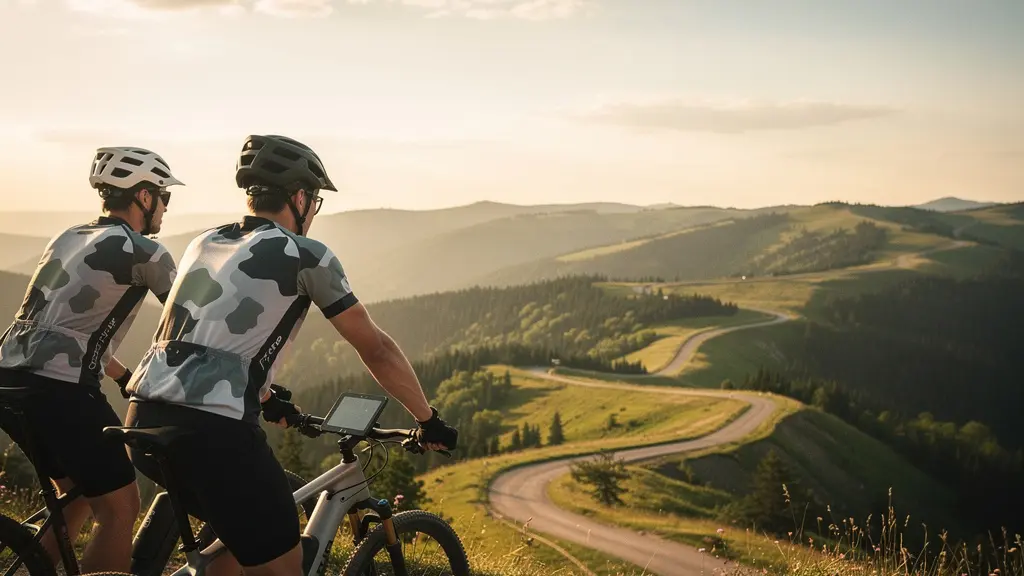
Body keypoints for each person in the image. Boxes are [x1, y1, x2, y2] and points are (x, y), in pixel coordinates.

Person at [124, 134, 458, 576]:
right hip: (214, 434)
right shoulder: (306, 255)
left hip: (142, 415)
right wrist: (426, 418)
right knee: (284, 564)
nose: (313, 211)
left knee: (241, 551)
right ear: (300, 197)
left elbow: (205, 340)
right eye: (315, 201)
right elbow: (375, 348)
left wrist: (264, 397)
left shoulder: (202, 243)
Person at [0, 146, 183, 571]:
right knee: (120, 508)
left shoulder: (67, 236)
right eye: (164, 197)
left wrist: (121, 375)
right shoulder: (147, 252)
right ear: (143, 196)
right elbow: (189, 325)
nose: (165, 209)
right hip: (60, 391)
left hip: (9, 379)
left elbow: (57, 327)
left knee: (78, 495)